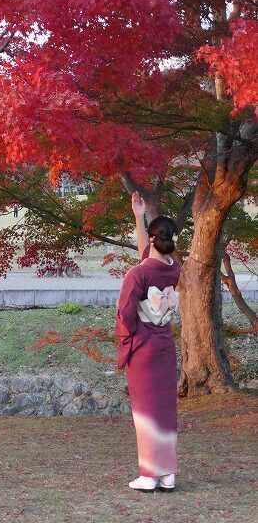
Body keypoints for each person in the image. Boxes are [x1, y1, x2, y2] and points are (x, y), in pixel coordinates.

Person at [115, 191, 181, 493]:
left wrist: (126, 340)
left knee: (145, 410)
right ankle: (167, 473)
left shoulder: (137, 274)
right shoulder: (172, 267)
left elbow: (127, 314)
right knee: (165, 408)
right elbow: (148, 255)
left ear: (153, 240)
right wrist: (138, 216)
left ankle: (148, 475)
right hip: (165, 343)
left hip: (143, 346)